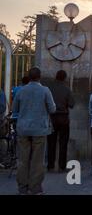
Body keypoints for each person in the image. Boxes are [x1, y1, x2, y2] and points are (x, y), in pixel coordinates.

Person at [12, 67, 56, 195]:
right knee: (37, 160)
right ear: (39, 77)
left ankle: (22, 188)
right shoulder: (45, 90)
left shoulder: (21, 90)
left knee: (22, 160)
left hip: (23, 128)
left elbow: (15, 108)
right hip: (40, 129)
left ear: (29, 77)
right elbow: (52, 109)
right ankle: (35, 188)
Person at [47, 70, 75, 172]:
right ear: (65, 78)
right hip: (63, 118)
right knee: (63, 143)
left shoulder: (49, 89)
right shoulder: (67, 89)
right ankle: (62, 166)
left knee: (51, 143)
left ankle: (50, 165)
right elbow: (72, 104)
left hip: (52, 118)